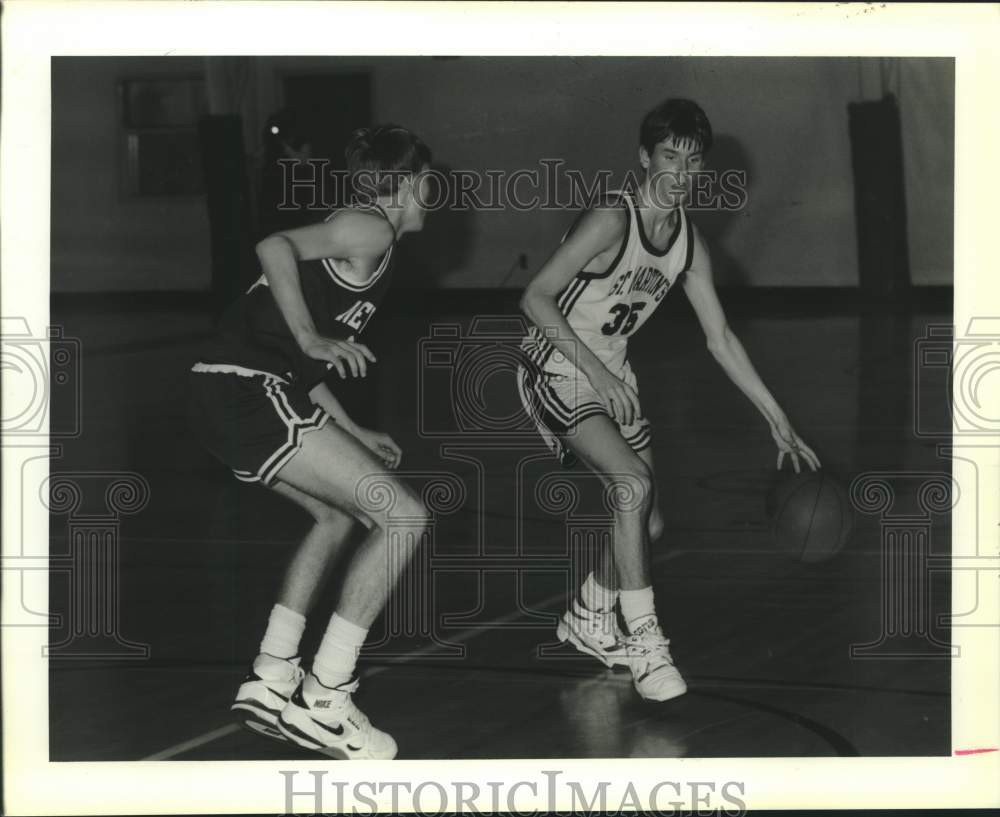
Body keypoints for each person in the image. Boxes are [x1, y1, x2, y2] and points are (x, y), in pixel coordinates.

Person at [517, 98, 820, 702]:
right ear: (644, 158)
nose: (680, 170)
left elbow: (721, 338)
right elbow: (535, 297)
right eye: (669, 155)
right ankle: (648, 643)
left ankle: (587, 616)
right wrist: (597, 378)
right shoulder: (611, 218)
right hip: (554, 364)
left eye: (693, 160)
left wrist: (777, 418)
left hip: (612, 374)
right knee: (629, 485)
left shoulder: (688, 244)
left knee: (648, 522)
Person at [188, 124, 433, 759]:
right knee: (404, 516)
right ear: (405, 184)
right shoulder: (370, 226)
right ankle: (328, 697)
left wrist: (353, 430)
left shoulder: (362, 237)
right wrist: (308, 339)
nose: (433, 193)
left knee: (333, 518)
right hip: (247, 386)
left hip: (239, 390)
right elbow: (272, 245)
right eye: (426, 181)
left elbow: (301, 369)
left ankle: (272, 675)